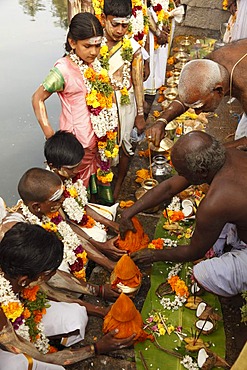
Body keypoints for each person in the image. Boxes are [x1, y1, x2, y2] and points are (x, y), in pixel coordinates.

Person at [119, 130, 247, 298]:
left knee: (203, 273)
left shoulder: (215, 203)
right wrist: (128, 212)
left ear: (201, 172)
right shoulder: (226, 155)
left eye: (183, 173)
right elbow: (169, 188)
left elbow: (194, 252)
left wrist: (154, 255)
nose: (180, 177)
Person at [0, 223, 135, 369]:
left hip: (20, 309)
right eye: (48, 274)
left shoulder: (17, 270)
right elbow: (39, 357)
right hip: (7, 341)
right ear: (24, 281)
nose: (52, 275)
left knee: (75, 316)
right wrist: (95, 348)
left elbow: (51, 292)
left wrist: (100, 305)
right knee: (27, 365)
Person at [32, 12, 118, 204]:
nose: (94, 52)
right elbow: (37, 98)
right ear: (72, 43)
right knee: (74, 189)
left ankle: (97, 211)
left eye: (97, 45)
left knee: (98, 177)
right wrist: (51, 137)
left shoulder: (95, 64)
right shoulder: (62, 70)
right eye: (87, 46)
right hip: (76, 144)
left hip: (98, 138)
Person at [11, 167, 123, 302]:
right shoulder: (20, 233)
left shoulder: (48, 207)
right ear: (36, 207)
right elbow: (43, 282)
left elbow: (69, 233)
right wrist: (97, 292)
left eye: (63, 194)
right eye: (57, 198)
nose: (63, 199)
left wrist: (109, 263)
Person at [145, 38, 247, 148]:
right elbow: (192, 94)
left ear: (219, 90)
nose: (197, 113)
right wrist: (162, 121)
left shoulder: (243, 87)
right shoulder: (214, 61)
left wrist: (214, 151)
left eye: (200, 106)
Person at [44, 130, 125, 261]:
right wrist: (100, 246)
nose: (76, 171)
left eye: (77, 166)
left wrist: (110, 223)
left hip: (74, 219)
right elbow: (65, 225)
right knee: (98, 237)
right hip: (58, 230)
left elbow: (81, 206)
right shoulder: (48, 191)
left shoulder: (67, 176)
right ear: (52, 166)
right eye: (71, 168)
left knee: (108, 217)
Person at [100, 0, 146, 200]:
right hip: (100, 104)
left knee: (126, 144)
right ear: (104, 20)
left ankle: (118, 183)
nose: (120, 30)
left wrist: (141, 114)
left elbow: (138, 82)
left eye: (124, 25)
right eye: (115, 24)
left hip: (126, 103)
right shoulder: (93, 44)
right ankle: (102, 186)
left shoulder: (133, 48)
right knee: (102, 147)